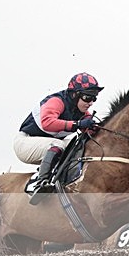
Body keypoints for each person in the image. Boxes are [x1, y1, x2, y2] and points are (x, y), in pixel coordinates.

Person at [15, 72, 103, 203]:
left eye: (94, 99)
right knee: (58, 145)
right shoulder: (57, 101)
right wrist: (77, 124)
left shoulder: (81, 111)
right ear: (74, 94)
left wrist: (93, 128)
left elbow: (88, 129)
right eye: (87, 97)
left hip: (47, 143)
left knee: (79, 146)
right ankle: (40, 184)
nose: (90, 103)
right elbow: (47, 122)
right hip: (25, 143)